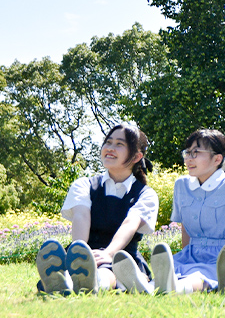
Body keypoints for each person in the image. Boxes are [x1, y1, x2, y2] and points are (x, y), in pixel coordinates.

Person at [35, 123, 158, 294]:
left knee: (107, 271)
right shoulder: (84, 184)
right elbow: (81, 217)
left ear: (137, 157)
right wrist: (79, 254)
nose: (110, 148)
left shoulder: (146, 194)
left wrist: (108, 253)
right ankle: (65, 280)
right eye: (108, 142)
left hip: (121, 257)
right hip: (86, 251)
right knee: (81, 266)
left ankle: (91, 283)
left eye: (119, 144)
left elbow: (130, 224)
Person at [150, 129, 225, 294]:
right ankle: (148, 286)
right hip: (190, 253)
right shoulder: (181, 185)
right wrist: (186, 256)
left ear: (217, 159)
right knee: (180, 270)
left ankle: (174, 288)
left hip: (222, 256)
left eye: (196, 153)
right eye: (187, 153)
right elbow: (186, 232)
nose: (189, 159)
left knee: (200, 277)